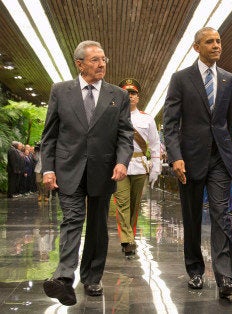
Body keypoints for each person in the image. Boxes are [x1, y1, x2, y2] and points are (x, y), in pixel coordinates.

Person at [41, 40, 134, 305]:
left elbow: (125, 134)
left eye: (103, 59)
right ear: (79, 64)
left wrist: (122, 161)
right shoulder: (60, 91)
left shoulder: (118, 95)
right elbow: (50, 135)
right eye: (94, 60)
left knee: (96, 227)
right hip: (67, 168)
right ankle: (63, 278)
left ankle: (92, 278)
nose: (101, 64)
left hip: (104, 170)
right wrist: (47, 168)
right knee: (71, 219)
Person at [162, 27, 232, 299]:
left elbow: (231, 124)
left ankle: (226, 278)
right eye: (210, 42)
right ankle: (195, 269)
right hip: (190, 159)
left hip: (220, 158)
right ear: (197, 47)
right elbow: (169, 124)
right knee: (192, 217)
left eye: (219, 40)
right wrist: (176, 157)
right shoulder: (181, 79)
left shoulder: (229, 80)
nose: (217, 45)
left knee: (221, 215)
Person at [112, 78, 161, 258]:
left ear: (138, 97)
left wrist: (156, 168)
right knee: (122, 203)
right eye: (126, 93)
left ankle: (130, 235)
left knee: (134, 205)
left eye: (133, 93)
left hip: (140, 166)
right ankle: (127, 240)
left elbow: (155, 144)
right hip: (120, 166)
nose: (130, 96)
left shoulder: (147, 119)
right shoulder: (113, 116)